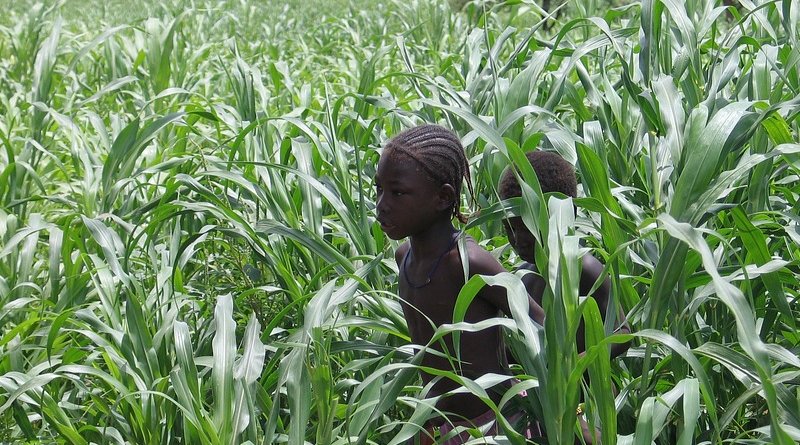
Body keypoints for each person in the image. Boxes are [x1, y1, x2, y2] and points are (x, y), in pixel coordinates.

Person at [374, 124, 544, 444]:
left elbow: (543, 327)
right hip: (436, 424)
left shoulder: (468, 263)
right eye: (378, 189)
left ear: (443, 198)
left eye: (397, 192)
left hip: (493, 426)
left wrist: (571, 410)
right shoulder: (403, 257)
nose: (382, 203)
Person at [498, 150, 632, 444]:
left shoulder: (583, 268)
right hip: (541, 404)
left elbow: (623, 333)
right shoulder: (521, 277)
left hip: (588, 400)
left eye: (521, 226)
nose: (513, 238)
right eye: (506, 226)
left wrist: (575, 364)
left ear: (556, 216)